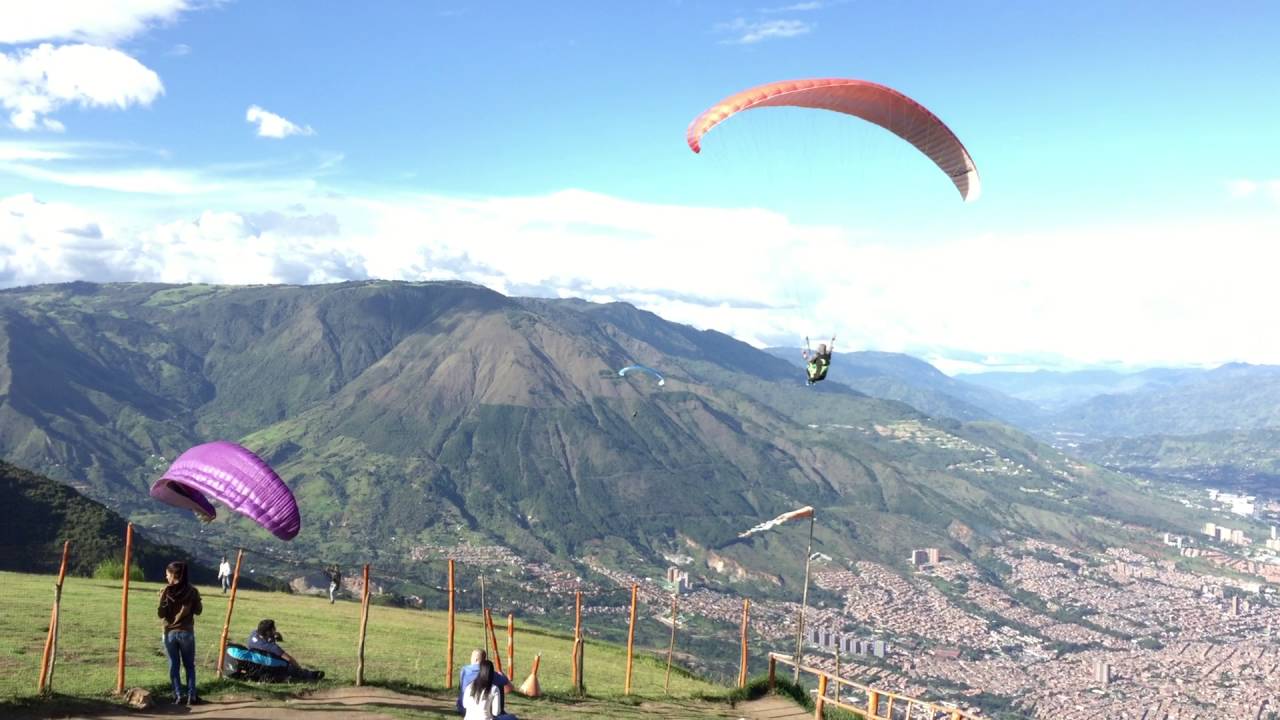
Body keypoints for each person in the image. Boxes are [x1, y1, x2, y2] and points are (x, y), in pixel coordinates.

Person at [158, 561, 202, 705]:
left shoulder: (166, 591)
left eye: (167, 574)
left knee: (174, 665)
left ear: (173, 574)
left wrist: (161, 599)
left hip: (170, 633)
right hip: (186, 632)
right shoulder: (192, 591)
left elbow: (160, 614)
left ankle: (178, 695)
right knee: (189, 666)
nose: (166, 577)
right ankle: (192, 695)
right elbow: (198, 611)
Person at [247, 619, 324, 681]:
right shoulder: (271, 647)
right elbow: (289, 658)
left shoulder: (253, 634)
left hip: (254, 662)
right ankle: (309, 675)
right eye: (274, 629)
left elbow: (266, 637)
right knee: (289, 665)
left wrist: (273, 635)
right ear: (268, 632)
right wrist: (298, 668)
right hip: (266, 665)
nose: (275, 629)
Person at [456, 649, 509, 715]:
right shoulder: (490, 673)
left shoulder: (464, 670)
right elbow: (505, 681)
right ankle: (500, 710)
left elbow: (460, 686)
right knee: (499, 684)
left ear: (475, 659)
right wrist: (501, 674)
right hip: (484, 711)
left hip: (464, 708)